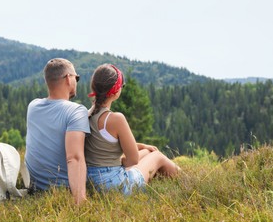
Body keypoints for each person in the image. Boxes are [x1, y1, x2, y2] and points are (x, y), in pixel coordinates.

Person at [85, 64, 181, 195]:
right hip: (115, 186)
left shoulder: (87, 114)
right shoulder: (115, 119)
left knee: (148, 152)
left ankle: (163, 179)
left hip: (90, 182)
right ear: (116, 90)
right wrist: (122, 160)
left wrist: (142, 147)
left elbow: (104, 144)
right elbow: (132, 160)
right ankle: (185, 181)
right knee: (157, 156)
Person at [25, 58, 90, 204]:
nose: (76, 81)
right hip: (61, 189)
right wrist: (80, 202)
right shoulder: (76, 111)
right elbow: (74, 158)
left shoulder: (33, 106)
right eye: (76, 77)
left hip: (33, 187)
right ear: (68, 78)